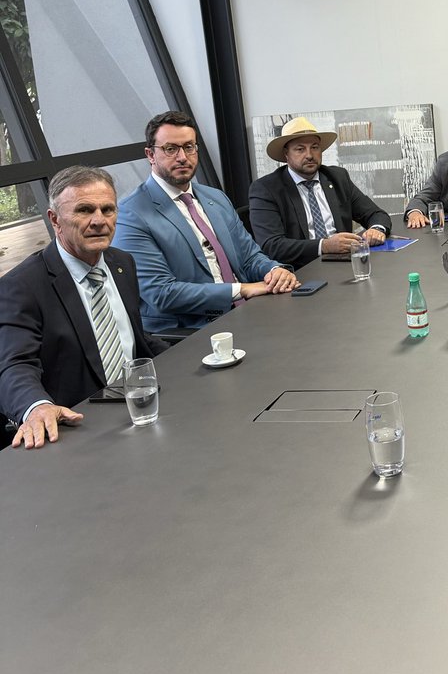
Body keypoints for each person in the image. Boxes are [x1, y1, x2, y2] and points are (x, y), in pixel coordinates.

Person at [0, 166, 166, 451]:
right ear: (55, 220)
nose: (99, 221)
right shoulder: (23, 285)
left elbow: (135, 337)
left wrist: (193, 359)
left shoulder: (122, 263)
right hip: (80, 431)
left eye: (108, 209)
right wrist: (37, 407)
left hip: (141, 410)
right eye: (85, 210)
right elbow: (13, 364)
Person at [115, 111, 298, 331]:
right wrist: (242, 289)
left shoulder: (215, 197)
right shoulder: (131, 213)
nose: (182, 157)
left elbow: (249, 257)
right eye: (170, 149)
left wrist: (274, 271)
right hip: (190, 332)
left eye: (189, 147)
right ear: (150, 155)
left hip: (247, 314)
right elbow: (161, 293)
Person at [249, 116, 392, 268]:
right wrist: (324, 246)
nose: (309, 155)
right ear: (286, 154)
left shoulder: (337, 177)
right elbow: (272, 246)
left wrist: (376, 229)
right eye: (300, 149)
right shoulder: (266, 189)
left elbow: (376, 214)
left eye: (315, 147)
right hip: (300, 272)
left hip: (344, 265)